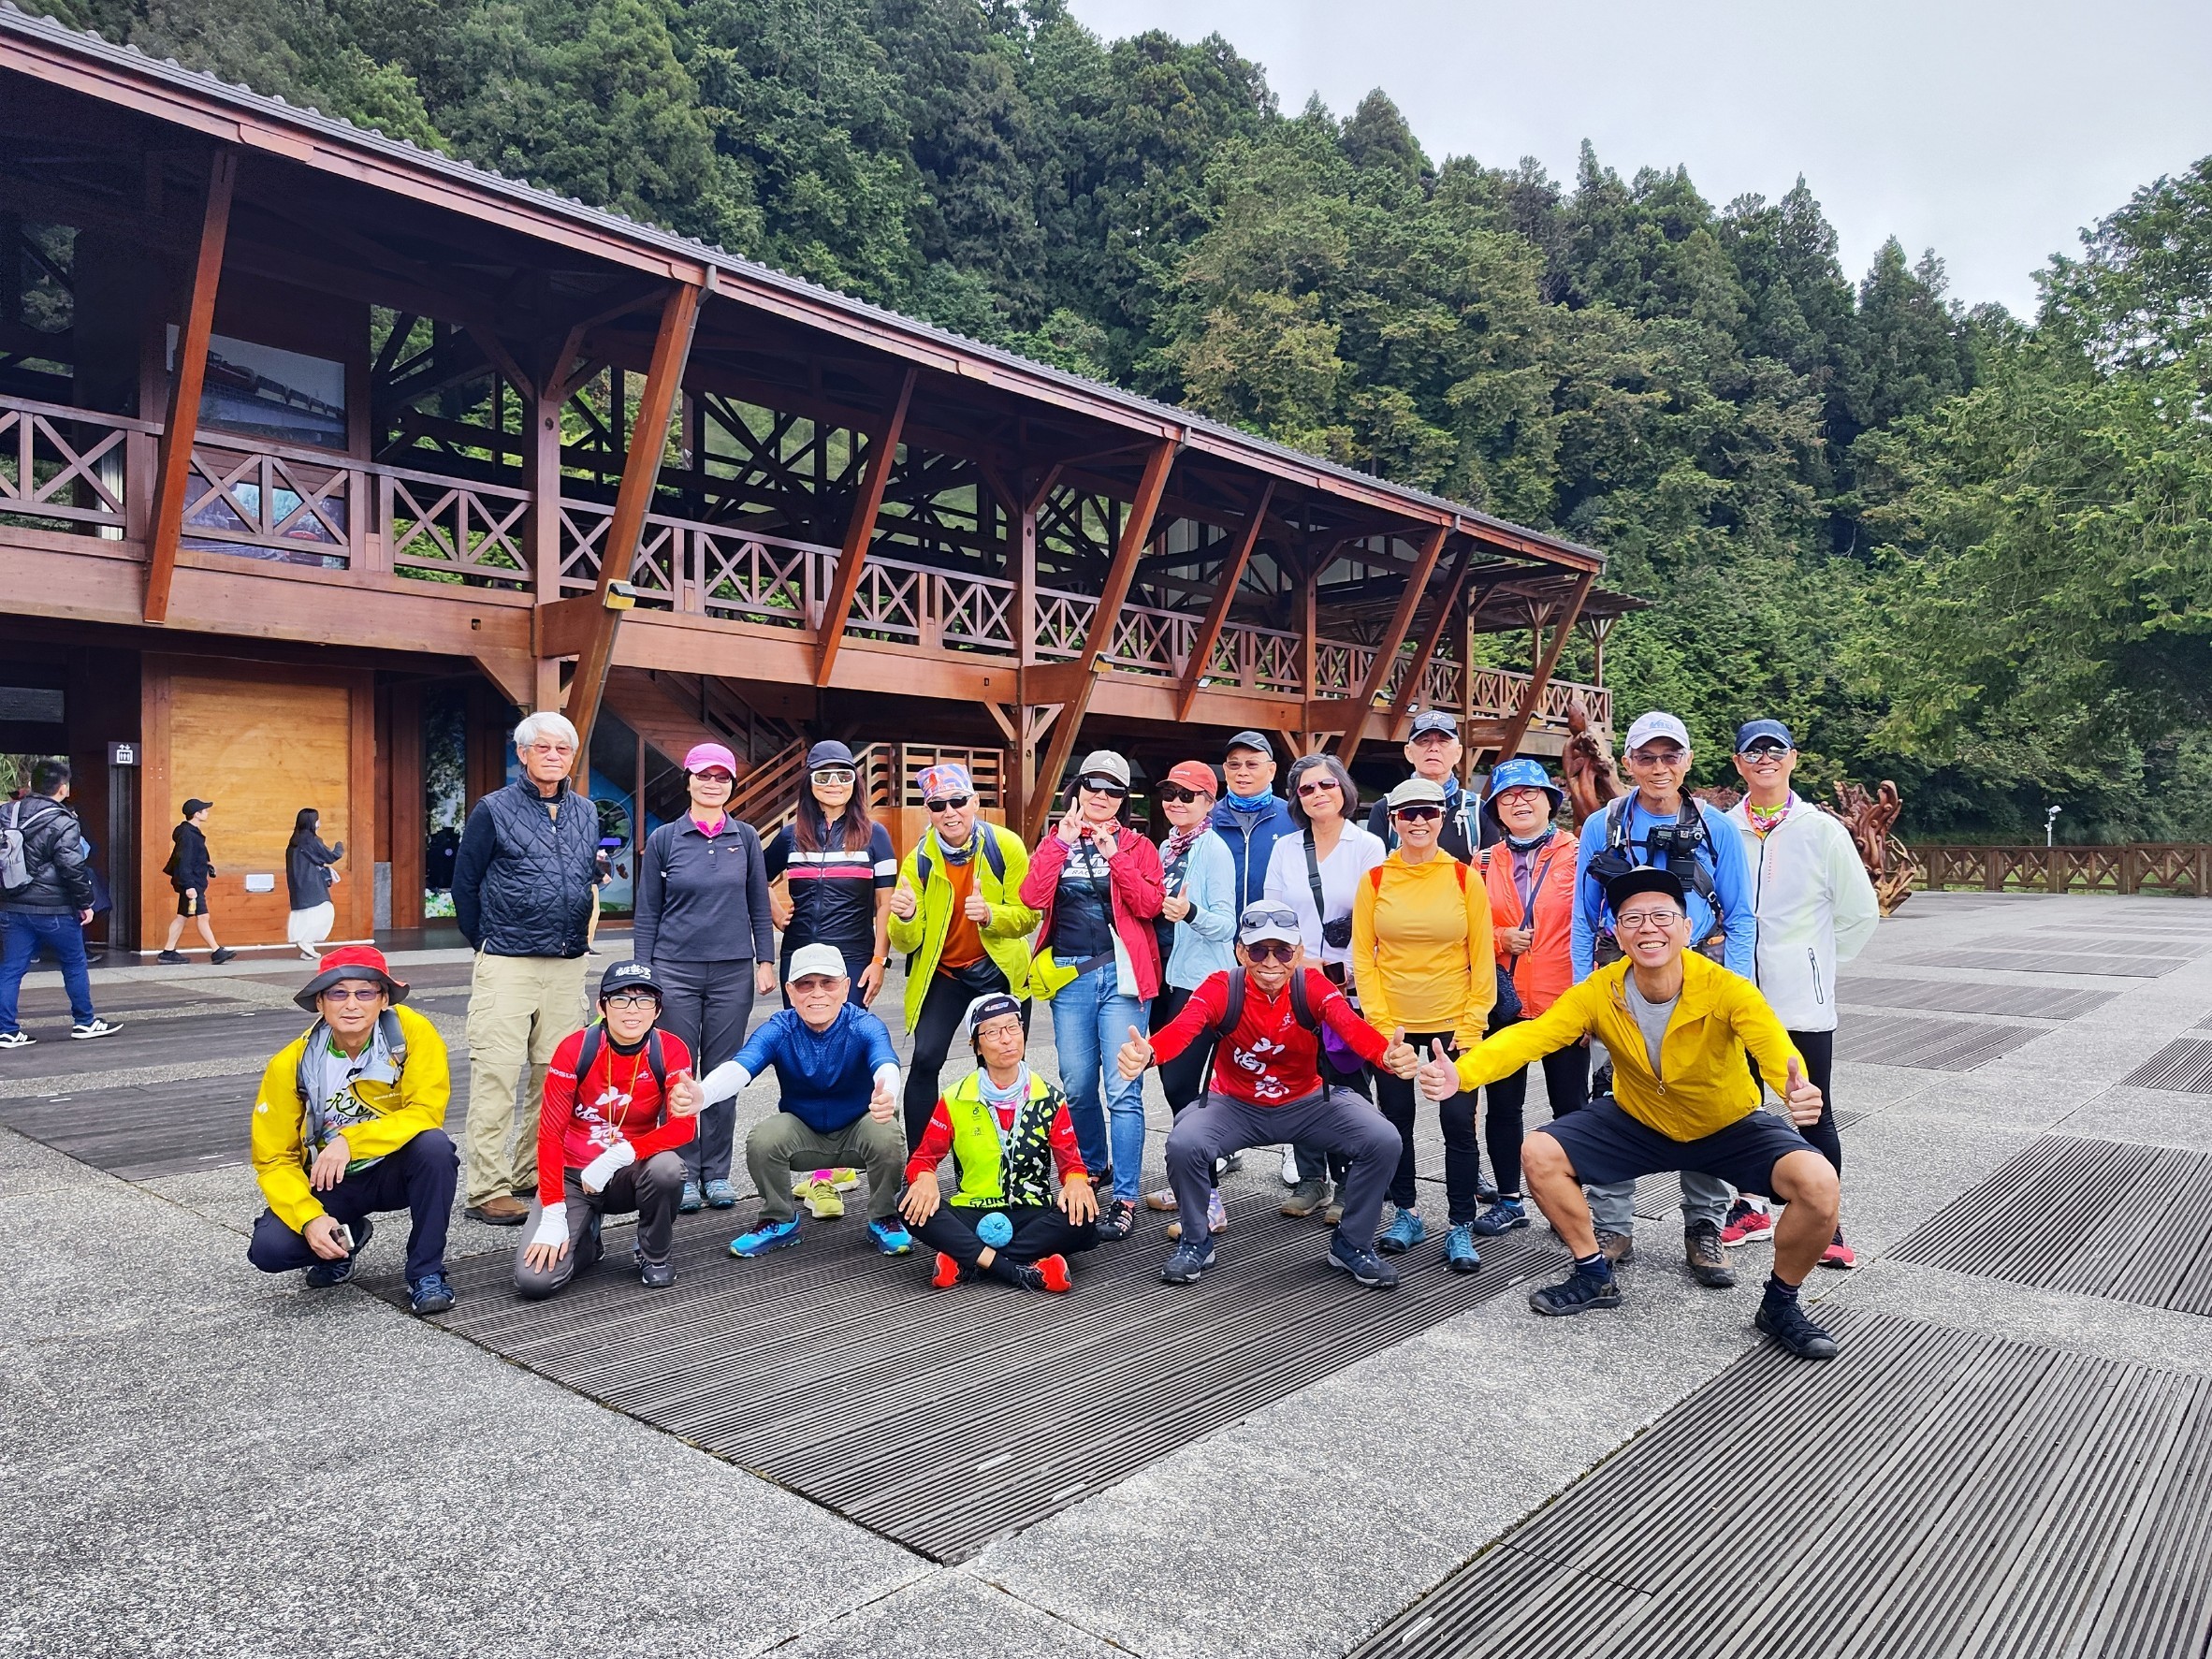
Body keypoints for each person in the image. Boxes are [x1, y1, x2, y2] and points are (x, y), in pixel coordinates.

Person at [1418, 867, 1842, 1360]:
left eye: (1662, 916)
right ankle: (1593, 1272)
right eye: (1632, 918)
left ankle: (1781, 1303)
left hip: (1727, 1124)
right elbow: (1534, 1034)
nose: (1647, 927)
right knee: (1539, 1151)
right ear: (1617, 934)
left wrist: (1797, 1091)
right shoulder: (1602, 989)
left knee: (1819, 1183)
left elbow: (1775, 1049)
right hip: (1638, 1118)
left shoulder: (1727, 989)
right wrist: (1463, 1074)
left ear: (1687, 929)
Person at [1119, 902, 1420, 1288]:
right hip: (1235, 1103)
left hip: (1307, 1101)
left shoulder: (1311, 985)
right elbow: (1184, 1028)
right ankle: (1196, 1242)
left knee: (1382, 1139)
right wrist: (1149, 1053)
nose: (1271, 962)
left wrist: (1387, 1055)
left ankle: (1352, 1242)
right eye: (1259, 950)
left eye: (1282, 951)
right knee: (1184, 1141)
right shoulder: (1221, 987)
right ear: (1241, 952)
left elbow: (1350, 1027)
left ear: (1297, 952)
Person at [1569, 709, 1755, 1286]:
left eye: (1670, 756)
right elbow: (1583, 915)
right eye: (1646, 757)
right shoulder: (1603, 825)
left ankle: (1704, 1224)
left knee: (1704, 1095)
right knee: (1611, 1094)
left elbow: (1742, 915)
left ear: (1688, 762)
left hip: (1697, 973)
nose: (1658, 768)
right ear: (1627, 763)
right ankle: (1613, 1225)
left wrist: (1739, 991)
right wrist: (1582, 997)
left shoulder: (1715, 826)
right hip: (1618, 976)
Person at [1723, 719, 1882, 1268]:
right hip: (1738, 992)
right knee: (1741, 1106)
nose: (1764, 759)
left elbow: (1859, 911)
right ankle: (1750, 1205)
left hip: (1801, 997)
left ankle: (1827, 1221)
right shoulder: (1725, 828)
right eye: (1752, 752)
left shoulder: (1822, 830)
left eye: (1775, 750)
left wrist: (1817, 960)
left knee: (1812, 1109)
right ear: (1738, 763)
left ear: (1792, 759)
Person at [245, 946, 458, 1316]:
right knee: (270, 1250)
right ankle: (349, 1234)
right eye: (338, 993)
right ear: (320, 1003)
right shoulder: (290, 1064)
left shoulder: (410, 1035)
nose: (351, 1005)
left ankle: (426, 1272)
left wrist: (351, 1140)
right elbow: (273, 1158)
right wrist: (309, 1217)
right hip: (331, 1179)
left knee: (436, 1149)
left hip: (395, 1168)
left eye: (365, 992)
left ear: (384, 999)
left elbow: (426, 1112)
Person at [449, 711, 598, 1227]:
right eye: (543, 748)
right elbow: (464, 885)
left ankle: (533, 1173)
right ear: (523, 753)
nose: (553, 756)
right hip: (508, 961)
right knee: (496, 1073)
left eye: (562, 749)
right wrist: (485, 940)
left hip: (566, 964)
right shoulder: (493, 809)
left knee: (554, 1076)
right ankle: (487, 1187)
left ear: (571, 757)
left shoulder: (585, 812)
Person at [1350, 776, 1497, 1271]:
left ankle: (1459, 1224)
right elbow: (1364, 959)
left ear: (1442, 817)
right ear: (1393, 819)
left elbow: (1482, 956)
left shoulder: (1464, 878)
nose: (1418, 821)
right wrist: (1380, 1021)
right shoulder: (1374, 880)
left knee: (1458, 1125)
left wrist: (1473, 1022)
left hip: (1453, 1024)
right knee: (1396, 1124)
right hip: (1393, 1026)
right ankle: (1407, 1211)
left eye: (1428, 812)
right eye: (1407, 812)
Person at [1018, 749, 1164, 1241]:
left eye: (1113, 791)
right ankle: (1093, 1167)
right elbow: (1031, 899)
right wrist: (1058, 845)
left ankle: (1124, 1194)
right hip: (1070, 976)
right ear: (1077, 789)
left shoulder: (1139, 846)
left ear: (1124, 799)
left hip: (1123, 979)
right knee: (1077, 1084)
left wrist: (1114, 856)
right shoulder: (1054, 841)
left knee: (1123, 1090)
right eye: (1093, 786)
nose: (1101, 797)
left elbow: (1149, 904)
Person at [632, 741, 778, 1215]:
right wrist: (643, 977)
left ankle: (716, 1173)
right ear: (689, 780)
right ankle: (685, 1171)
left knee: (723, 1072)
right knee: (678, 1072)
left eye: (721, 777)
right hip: (674, 969)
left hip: (733, 970)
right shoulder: (664, 840)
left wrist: (765, 961)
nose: (712, 784)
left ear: (731, 784)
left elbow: (760, 903)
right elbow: (647, 912)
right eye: (704, 775)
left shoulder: (748, 838)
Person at [704, 942, 914, 1259]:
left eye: (828, 983)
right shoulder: (779, 1027)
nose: (817, 993)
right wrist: (702, 1094)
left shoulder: (864, 1024)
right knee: (763, 1139)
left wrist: (887, 1094)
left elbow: (885, 1060)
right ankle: (780, 1219)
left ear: (845, 989)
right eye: (806, 984)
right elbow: (741, 1065)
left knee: (886, 1130)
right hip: (803, 1131)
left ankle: (883, 1216)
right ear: (790, 992)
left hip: (859, 1127)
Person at [763, 739, 896, 1218]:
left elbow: (885, 903)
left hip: (853, 955)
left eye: (843, 775)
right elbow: (752, 876)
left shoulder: (875, 835)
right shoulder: (789, 835)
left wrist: (880, 959)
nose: (834, 784)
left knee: (851, 1056)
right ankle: (820, 1177)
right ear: (809, 781)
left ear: (855, 781)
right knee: (802, 1054)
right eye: (824, 776)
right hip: (799, 958)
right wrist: (776, 907)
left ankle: (854, 1155)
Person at [516, 960, 705, 1298]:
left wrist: (621, 1153)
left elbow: (683, 1128)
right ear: (602, 1006)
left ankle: (653, 1254)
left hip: (630, 1171)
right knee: (535, 1282)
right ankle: (587, 1239)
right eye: (620, 999)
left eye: (644, 1000)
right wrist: (554, 1211)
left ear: (657, 1009)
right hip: (573, 1174)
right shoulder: (575, 1049)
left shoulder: (670, 1049)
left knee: (668, 1169)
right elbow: (549, 1134)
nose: (632, 1010)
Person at [886, 762, 1039, 1156]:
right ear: (929, 812)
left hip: (997, 973)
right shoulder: (918, 859)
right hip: (946, 974)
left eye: (957, 801)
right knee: (924, 1061)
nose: (949, 812)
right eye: (938, 805)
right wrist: (903, 917)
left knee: (1000, 1066)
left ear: (974, 802)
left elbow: (1029, 916)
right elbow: (907, 941)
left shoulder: (1006, 846)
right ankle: (919, 1165)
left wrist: (991, 914)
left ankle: (1003, 1158)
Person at [900, 993, 1101, 1291]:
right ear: (976, 1045)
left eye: (1013, 1027)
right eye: (993, 1032)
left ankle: (969, 1260)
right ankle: (1023, 1268)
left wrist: (1075, 1180)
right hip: (973, 1211)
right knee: (907, 1205)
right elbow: (922, 1160)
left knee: (1084, 1219)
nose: (1006, 1039)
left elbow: (1071, 1164)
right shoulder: (956, 1098)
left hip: (1030, 1212)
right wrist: (924, 1176)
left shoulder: (1049, 1098)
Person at [1262, 752, 1384, 1222]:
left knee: (1348, 1082)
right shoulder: (1286, 847)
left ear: (1344, 790)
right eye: (1306, 789)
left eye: (1326, 785)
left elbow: (1376, 918)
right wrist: (1290, 960)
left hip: (1349, 984)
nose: (1317, 794)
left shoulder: (1368, 845)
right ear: (1296, 798)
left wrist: (1343, 968)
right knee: (1299, 1078)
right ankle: (1313, 1178)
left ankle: (1355, 1180)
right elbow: (1271, 912)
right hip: (1294, 981)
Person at [1471, 759, 1587, 1237]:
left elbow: (1597, 924)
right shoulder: (1480, 862)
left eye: (1530, 793)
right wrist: (1501, 937)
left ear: (1550, 801)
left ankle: (1572, 1201)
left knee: (1571, 1106)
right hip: (1506, 1000)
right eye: (1508, 796)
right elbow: (1466, 929)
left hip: (1564, 999)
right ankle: (1509, 1196)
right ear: (1497, 807)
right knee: (1503, 1104)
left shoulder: (1578, 854)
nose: (1520, 802)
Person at [1144, 759, 1238, 1236]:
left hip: (1197, 982)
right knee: (1173, 1082)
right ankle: (1190, 1184)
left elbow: (1228, 922)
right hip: (1162, 977)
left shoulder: (1214, 849)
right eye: (1169, 793)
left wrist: (1191, 911)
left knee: (1185, 1086)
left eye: (1188, 795)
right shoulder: (1166, 846)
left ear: (1208, 801)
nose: (1176, 803)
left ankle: (1209, 1200)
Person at [0, 759, 118, 1048]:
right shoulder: (63, 820)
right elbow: (72, 867)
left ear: (31, 785)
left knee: (11, 968)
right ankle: (85, 1022)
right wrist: (86, 902)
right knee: (74, 963)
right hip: (54, 908)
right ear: (63, 788)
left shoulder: (6, 812)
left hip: (11, 905)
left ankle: (5, 1029)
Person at [1365, 709, 1491, 859]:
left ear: (1458, 753)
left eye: (1443, 741)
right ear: (1408, 752)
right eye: (1424, 741)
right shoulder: (1385, 809)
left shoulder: (1479, 811)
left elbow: (1491, 876)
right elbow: (1375, 873)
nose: (1434, 748)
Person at [157, 798, 236, 965]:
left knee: (182, 917)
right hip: (192, 884)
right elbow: (183, 861)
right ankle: (216, 951)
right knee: (203, 916)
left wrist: (206, 865)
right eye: (204, 810)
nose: (207, 812)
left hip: (193, 882)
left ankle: (167, 952)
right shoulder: (188, 835)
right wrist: (189, 885)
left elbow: (191, 859)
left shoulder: (191, 833)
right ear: (196, 814)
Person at [284, 808, 344, 960]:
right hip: (312, 882)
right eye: (317, 819)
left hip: (297, 883)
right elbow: (331, 857)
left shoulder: (294, 841)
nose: (320, 822)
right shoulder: (312, 840)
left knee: (305, 912)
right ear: (312, 822)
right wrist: (340, 846)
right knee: (324, 910)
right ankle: (306, 940)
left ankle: (307, 947)